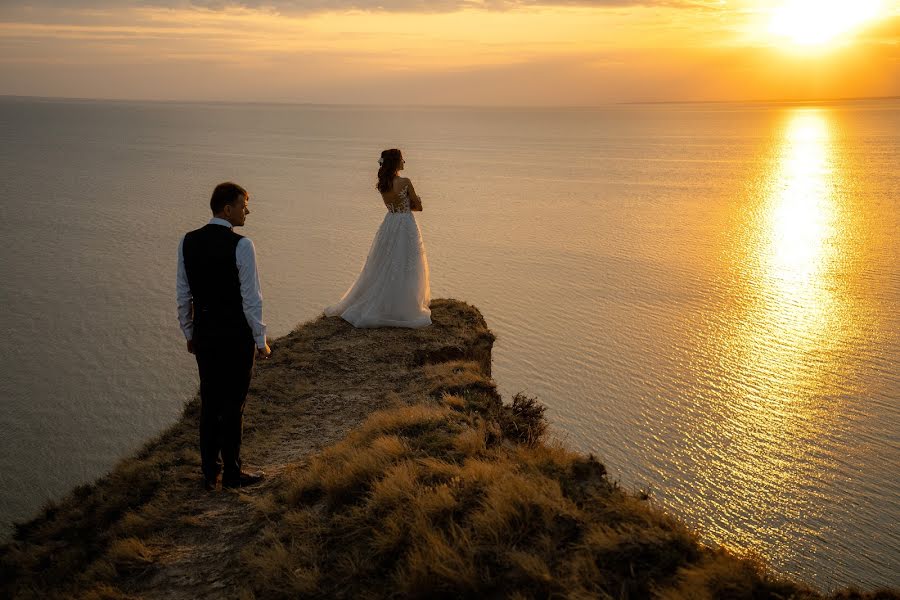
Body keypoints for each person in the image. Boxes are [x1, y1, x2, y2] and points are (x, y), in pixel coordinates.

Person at [176, 182, 271, 491]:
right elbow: (251, 298)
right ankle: (232, 474)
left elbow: (183, 294)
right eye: (243, 205)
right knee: (234, 406)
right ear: (227, 208)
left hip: (204, 334)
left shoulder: (187, 241)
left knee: (210, 403)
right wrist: (260, 340)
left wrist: (189, 331)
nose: (247, 211)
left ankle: (208, 473)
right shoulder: (242, 245)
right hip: (235, 337)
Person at [324, 149, 431, 328]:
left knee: (385, 263)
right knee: (407, 262)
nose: (404, 161)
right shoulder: (405, 182)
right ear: (396, 162)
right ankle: (404, 305)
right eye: (402, 159)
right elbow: (418, 206)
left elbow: (394, 204)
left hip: (389, 223)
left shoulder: (384, 184)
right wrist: (415, 201)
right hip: (405, 224)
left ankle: (387, 301)